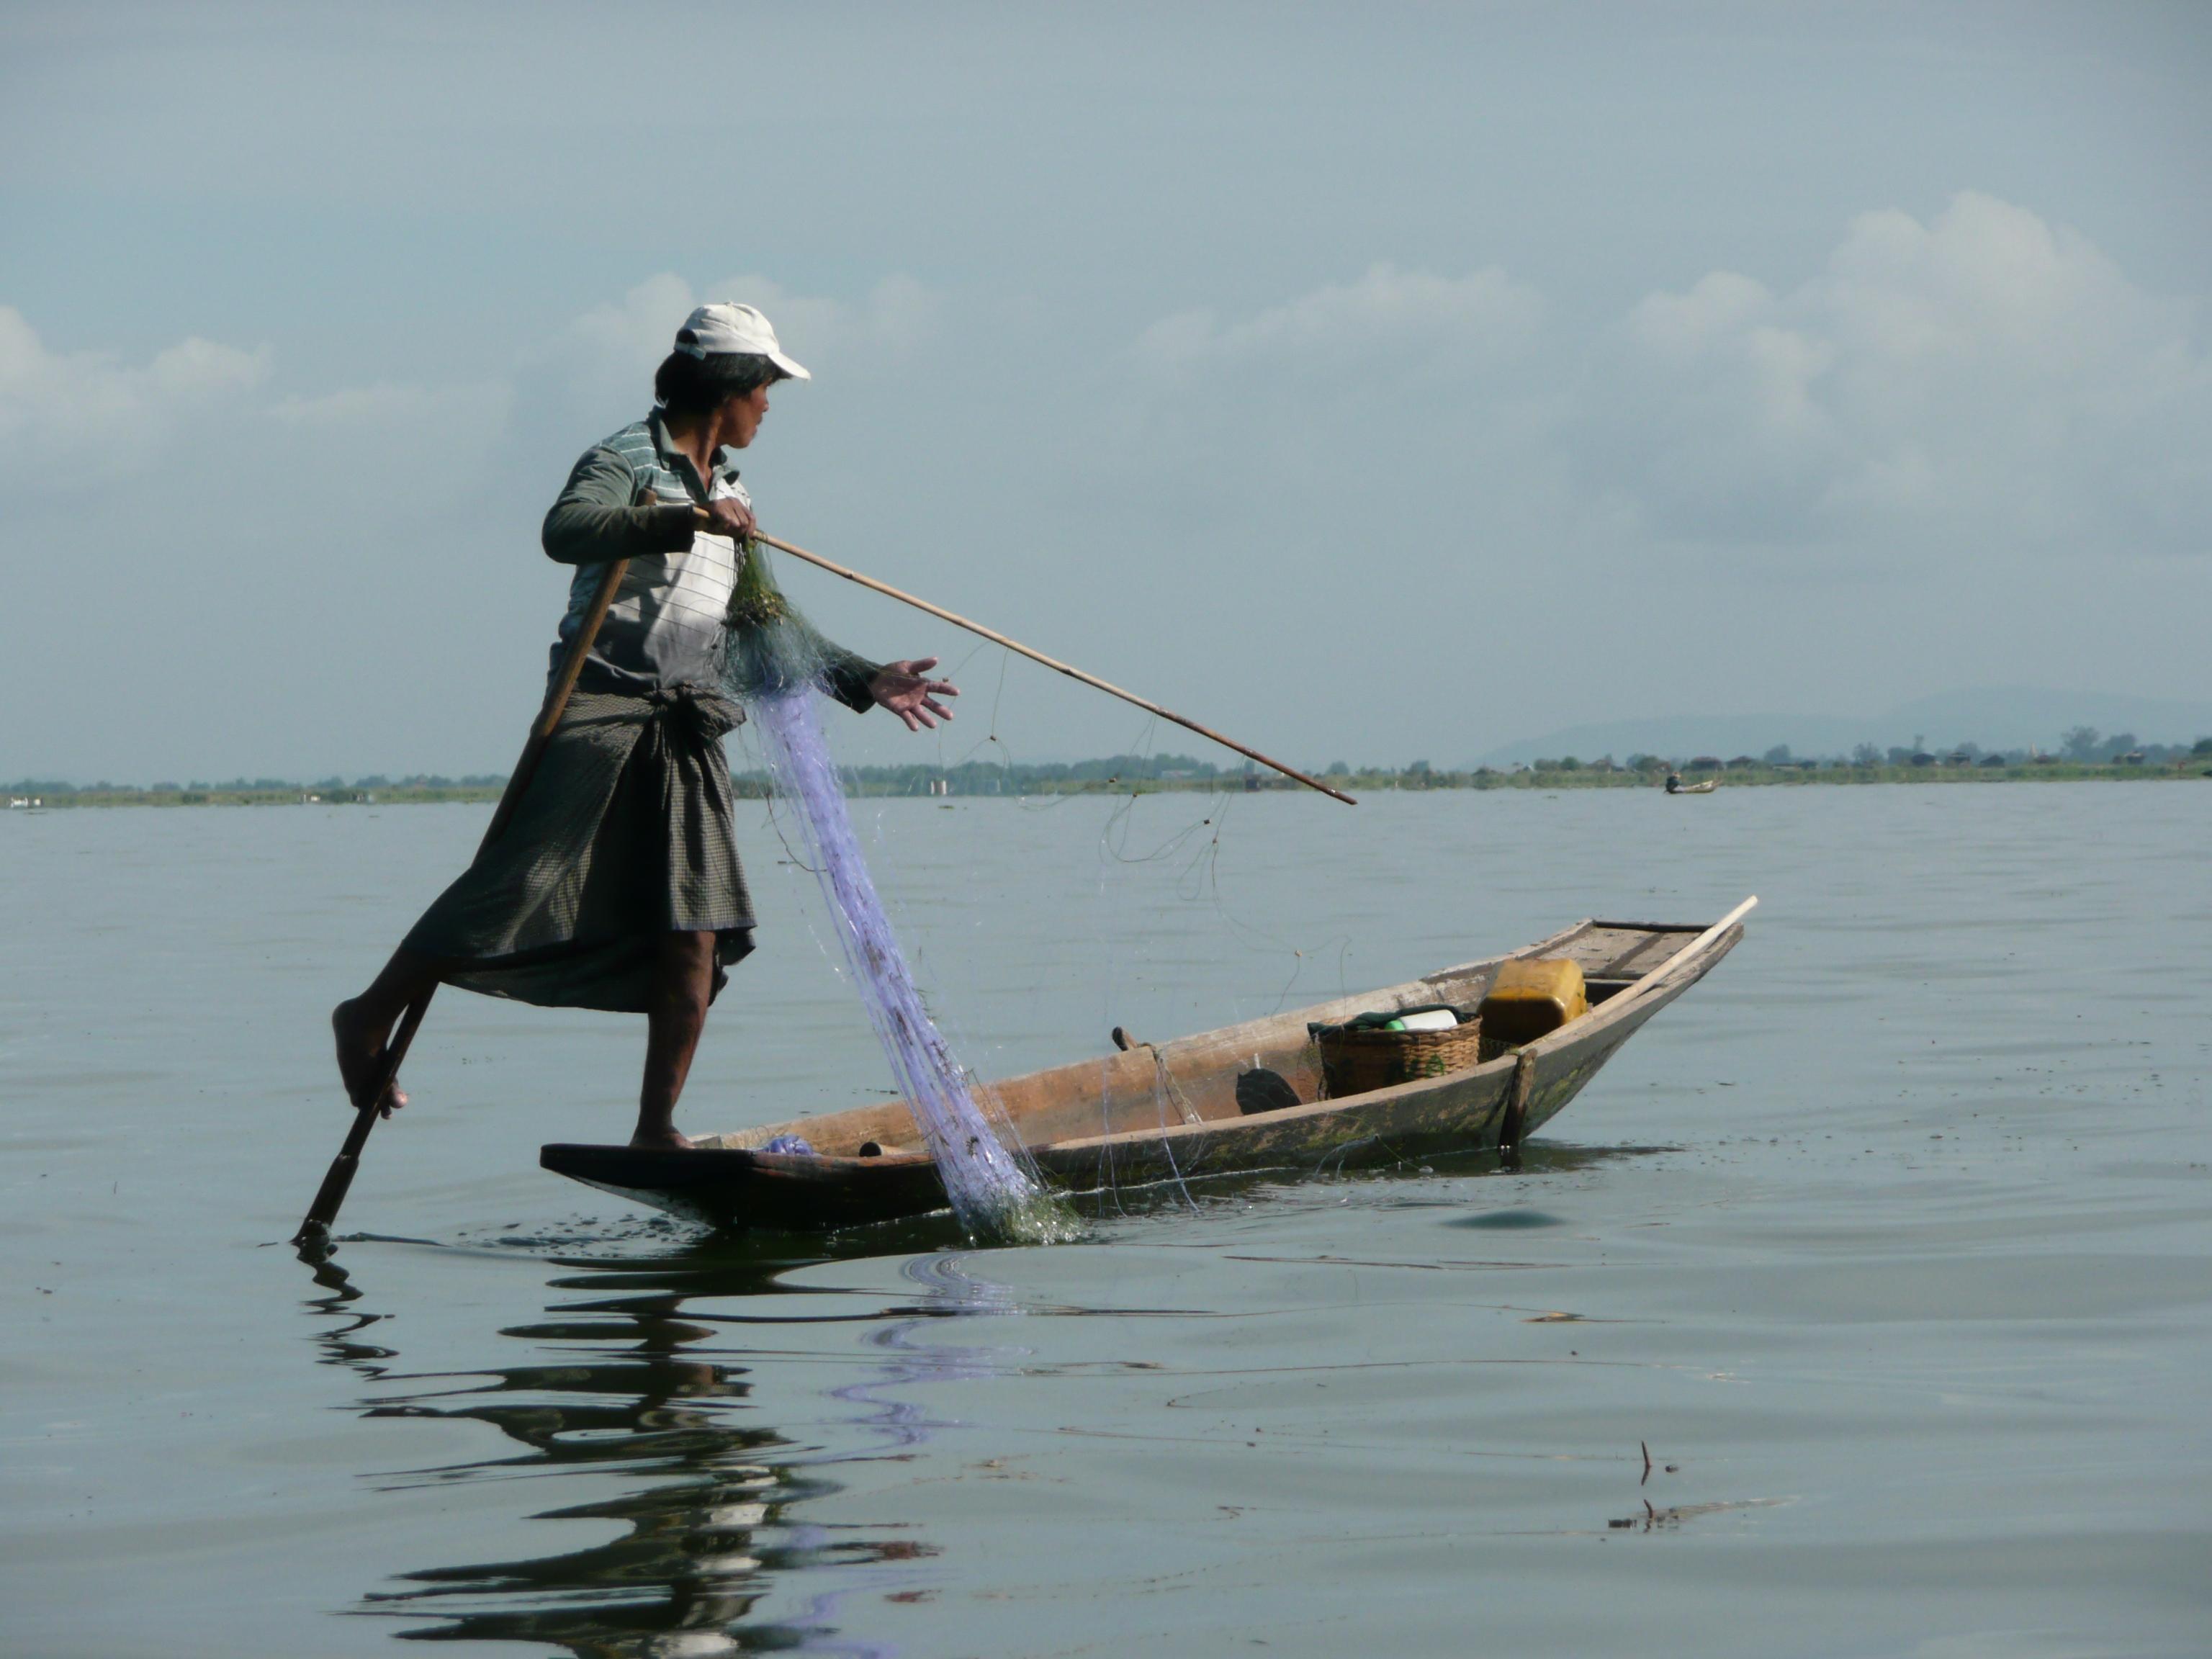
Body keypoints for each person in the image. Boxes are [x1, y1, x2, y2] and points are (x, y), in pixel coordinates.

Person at [332, 302, 956, 1148]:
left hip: (687, 723)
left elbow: (763, 621)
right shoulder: (629, 457)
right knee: (517, 886)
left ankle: (655, 1129)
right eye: (765, 386)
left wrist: (863, 677)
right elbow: (567, 530)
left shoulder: (733, 493)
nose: (769, 405)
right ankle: (366, 1017)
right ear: (729, 387)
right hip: (599, 705)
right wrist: (679, 518)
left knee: (694, 935)